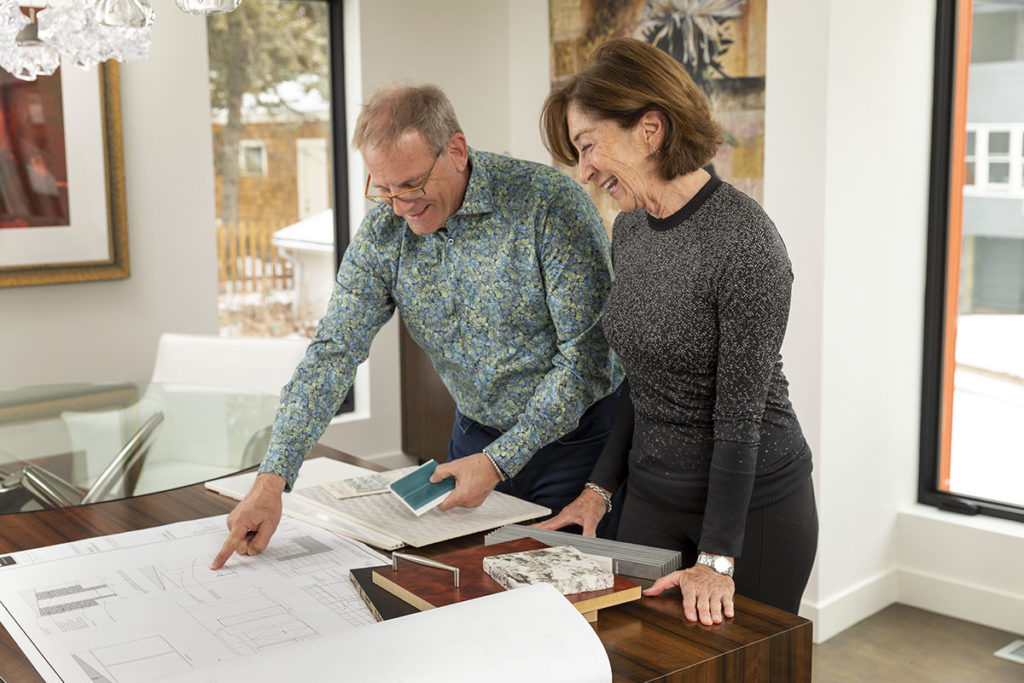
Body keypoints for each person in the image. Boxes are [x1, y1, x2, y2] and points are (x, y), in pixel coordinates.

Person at [211, 84, 622, 569]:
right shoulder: (384, 234)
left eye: (409, 184)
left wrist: (499, 461)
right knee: (468, 595)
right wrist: (271, 480)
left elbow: (588, 362)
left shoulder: (549, 206)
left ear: (456, 150)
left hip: (576, 449)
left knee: (573, 602)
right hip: (472, 443)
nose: (399, 204)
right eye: (383, 188)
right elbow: (332, 352)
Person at [535, 37, 818, 625]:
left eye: (588, 145)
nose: (584, 170)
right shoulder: (631, 231)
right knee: (631, 655)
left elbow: (738, 418)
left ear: (650, 129)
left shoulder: (746, 243)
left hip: (753, 511)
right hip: (653, 498)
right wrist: (600, 489)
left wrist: (717, 558)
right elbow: (639, 382)